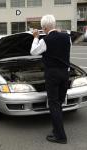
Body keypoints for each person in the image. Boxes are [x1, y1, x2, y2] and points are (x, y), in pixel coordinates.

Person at [30, 14, 71, 144]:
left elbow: (33, 52)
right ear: (54, 25)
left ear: (44, 28)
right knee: (58, 103)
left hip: (52, 75)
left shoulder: (45, 40)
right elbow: (65, 47)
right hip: (65, 74)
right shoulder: (67, 37)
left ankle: (60, 136)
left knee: (54, 105)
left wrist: (36, 38)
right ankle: (56, 130)